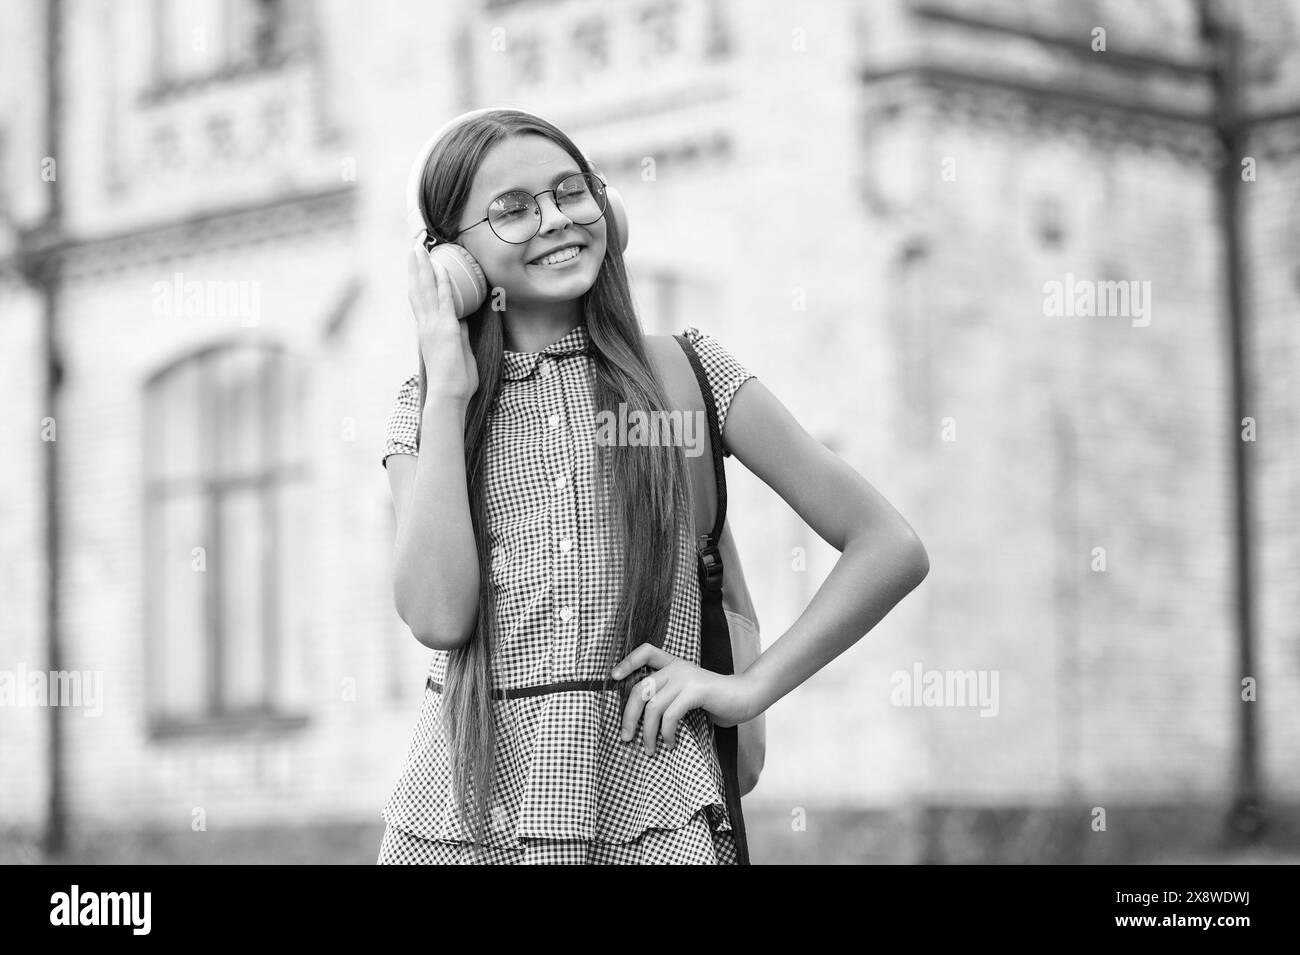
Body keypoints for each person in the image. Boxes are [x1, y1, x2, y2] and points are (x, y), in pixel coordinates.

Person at [375, 109, 929, 864]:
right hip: (463, 815)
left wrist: (747, 688)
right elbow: (439, 615)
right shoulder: (431, 407)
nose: (557, 221)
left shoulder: (685, 376)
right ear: (451, 259)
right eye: (511, 209)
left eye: (573, 192)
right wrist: (447, 388)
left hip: (653, 804)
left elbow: (888, 544)